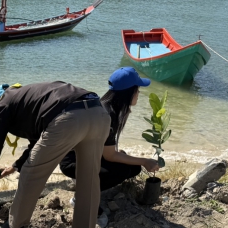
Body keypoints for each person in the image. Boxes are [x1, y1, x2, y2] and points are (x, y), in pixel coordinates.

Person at [0, 82, 110, 228]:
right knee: (89, 178)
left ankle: (15, 226)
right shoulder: (30, 98)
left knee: (32, 173)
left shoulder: (3, 103)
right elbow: (37, 141)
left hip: (69, 118)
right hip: (99, 113)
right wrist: (15, 166)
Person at [59, 67, 160, 200]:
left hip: (88, 155)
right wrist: (145, 161)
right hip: (73, 161)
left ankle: (86, 181)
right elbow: (110, 156)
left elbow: (105, 149)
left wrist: (136, 161)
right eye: (137, 90)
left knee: (134, 168)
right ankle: (81, 197)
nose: (138, 93)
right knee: (121, 171)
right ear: (129, 92)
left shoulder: (107, 105)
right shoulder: (108, 115)